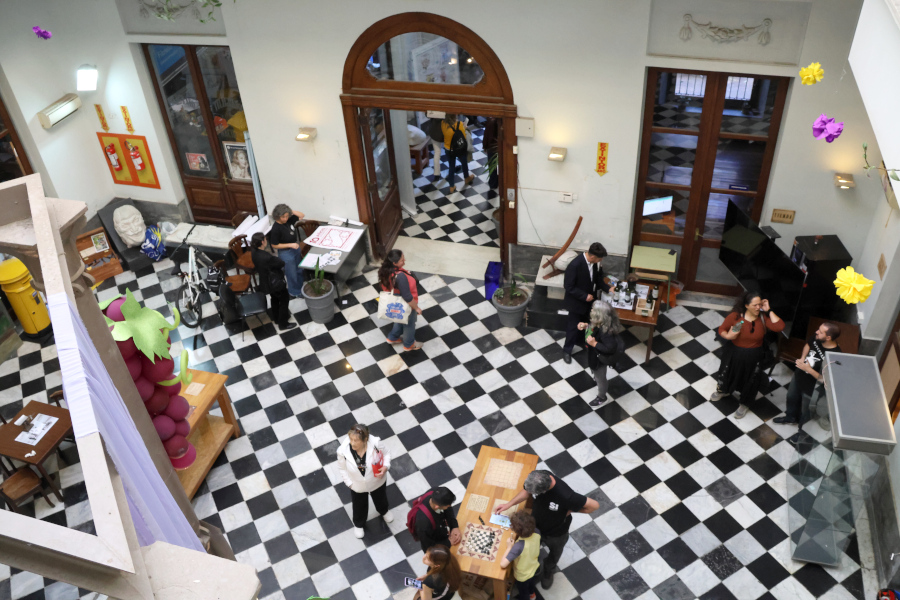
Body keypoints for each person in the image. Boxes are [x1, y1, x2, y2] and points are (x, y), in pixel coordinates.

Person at [495, 470, 599, 589]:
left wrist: (569, 510)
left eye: (534, 493)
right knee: (532, 548)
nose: (531, 494)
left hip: (556, 533)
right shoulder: (537, 476)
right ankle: (534, 565)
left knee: (554, 554)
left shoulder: (567, 496)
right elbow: (526, 491)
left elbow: (594, 506)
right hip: (535, 527)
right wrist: (509, 504)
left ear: (544, 491)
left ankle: (548, 572)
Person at [712, 291, 785, 419]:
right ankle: (724, 390)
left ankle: (745, 403)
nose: (758, 307)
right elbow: (722, 329)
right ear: (746, 305)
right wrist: (728, 336)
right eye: (755, 305)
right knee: (727, 372)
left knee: (751, 380)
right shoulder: (735, 317)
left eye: (760, 304)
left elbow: (779, 327)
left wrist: (769, 310)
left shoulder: (763, 318)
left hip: (753, 355)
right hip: (733, 353)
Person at [773, 322, 841, 427]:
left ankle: (802, 431)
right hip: (799, 376)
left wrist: (808, 369)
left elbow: (826, 380)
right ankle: (790, 417)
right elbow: (808, 344)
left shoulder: (834, 357)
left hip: (812, 387)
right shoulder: (817, 337)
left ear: (828, 337)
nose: (816, 332)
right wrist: (802, 358)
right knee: (791, 397)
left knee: (806, 410)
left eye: (820, 332)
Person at [336, 423, 393, 538]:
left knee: (380, 497)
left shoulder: (376, 443)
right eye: (351, 439)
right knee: (359, 504)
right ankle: (359, 524)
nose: (352, 443)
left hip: (377, 480)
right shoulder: (343, 451)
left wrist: (386, 467)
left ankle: (384, 510)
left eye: (356, 440)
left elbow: (387, 454)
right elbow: (342, 468)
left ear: (365, 439)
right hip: (357, 485)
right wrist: (349, 483)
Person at [562, 242, 615, 364]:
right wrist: (584, 296)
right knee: (573, 327)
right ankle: (567, 350)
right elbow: (568, 286)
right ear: (592, 257)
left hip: (589, 302)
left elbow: (597, 279)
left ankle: (581, 341)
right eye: (599, 259)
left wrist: (608, 288)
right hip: (576, 302)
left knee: (586, 324)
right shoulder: (575, 265)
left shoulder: (594, 264)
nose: (600, 261)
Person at [577, 300, 624, 407]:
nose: (591, 310)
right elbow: (593, 327)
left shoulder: (606, 332)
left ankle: (602, 397)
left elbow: (610, 348)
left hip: (599, 360)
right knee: (596, 372)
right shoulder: (601, 322)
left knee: (600, 378)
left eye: (593, 310)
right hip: (593, 355)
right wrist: (586, 326)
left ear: (599, 315)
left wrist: (594, 344)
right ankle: (596, 376)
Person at [249, 232, 295, 331]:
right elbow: (281, 263)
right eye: (265, 239)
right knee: (284, 300)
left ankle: (276, 318)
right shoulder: (267, 257)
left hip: (265, 281)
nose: (266, 241)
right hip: (275, 282)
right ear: (262, 242)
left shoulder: (254, 252)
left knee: (274, 299)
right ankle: (283, 324)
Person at [378, 249, 423, 351]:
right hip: (405, 304)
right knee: (409, 324)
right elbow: (407, 296)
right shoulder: (400, 276)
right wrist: (416, 308)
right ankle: (409, 344)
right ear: (394, 263)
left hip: (394, 303)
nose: (404, 261)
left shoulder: (385, 270)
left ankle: (392, 338)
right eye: (402, 260)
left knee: (399, 319)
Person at [267, 203, 307, 298]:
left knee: (299, 269)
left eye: (286, 216)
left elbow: (302, 215)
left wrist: (289, 211)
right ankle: (294, 291)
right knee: (291, 273)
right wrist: (290, 244)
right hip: (286, 253)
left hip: (295, 249)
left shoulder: (288, 220)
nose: (285, 218)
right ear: (277, 217)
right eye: (283, 217)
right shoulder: (276, 228)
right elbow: (274, 244)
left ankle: (300, 286)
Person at [500, 513, 541, 600]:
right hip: (533, 567)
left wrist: (509, 547)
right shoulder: (537, 531)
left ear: (517, 531)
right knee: (531, 584)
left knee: (523, 591)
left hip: (522, 575)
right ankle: (532, 595)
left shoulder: (518, 547)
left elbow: (503, 564)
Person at [414, 487, 461, 553]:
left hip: (441, 531)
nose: (449, 507)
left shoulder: (437, 493)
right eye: (447, 506)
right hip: (436, 549)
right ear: (437, 506)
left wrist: (454, 526)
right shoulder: (423, 523)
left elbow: (448, 509)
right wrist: (448, 543)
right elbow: (428, 546)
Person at [441, 114, 474, 193]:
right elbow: (463, 136)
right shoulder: (459, 124)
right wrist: (464, 127)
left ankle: (451, 186)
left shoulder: (442, 123)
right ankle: (466, 178)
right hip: (459, 148)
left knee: (451, 167)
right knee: (464, 162)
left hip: (448, 149)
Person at [427, 117, 444, 182]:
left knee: (437, 153)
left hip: (434, 131)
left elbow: (427, 114)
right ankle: (452, 169)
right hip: (446, 130)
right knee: (450, 150)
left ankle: (437, 174)